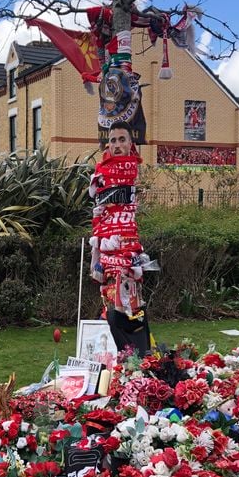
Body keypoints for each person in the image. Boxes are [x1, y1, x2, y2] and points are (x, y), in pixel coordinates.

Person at [90, 121, 155, 358]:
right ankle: (118, 356)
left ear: (130, 143)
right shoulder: (101, 171)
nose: (117, 145)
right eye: (113, 140)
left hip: (128, 247)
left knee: (131, 300)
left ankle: (136, 356)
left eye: (122, 140)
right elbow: (100, 207)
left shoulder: (130, 170)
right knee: (111, 299)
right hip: (108, 250)